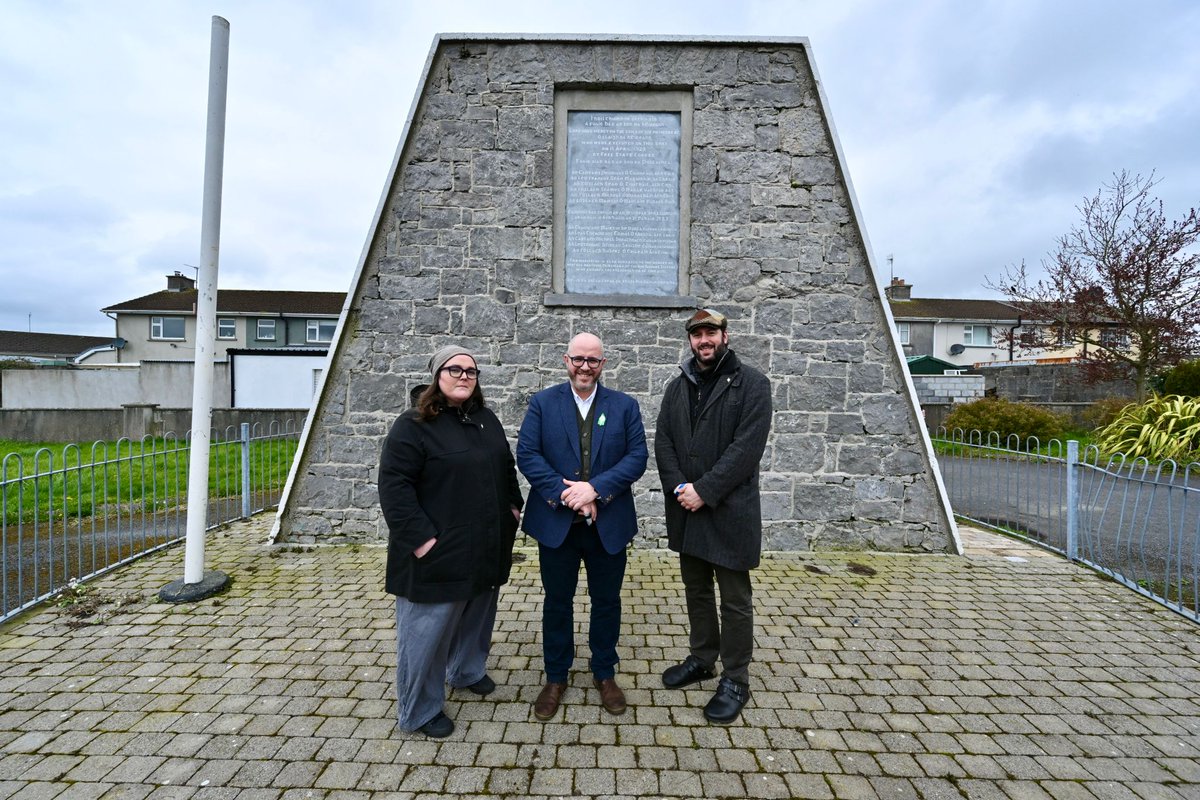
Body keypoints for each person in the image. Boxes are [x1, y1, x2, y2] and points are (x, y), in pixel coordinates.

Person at [378, 345, 524, 738]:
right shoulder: (413, 425)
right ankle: (419, 710)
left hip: (486, 545)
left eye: (471, 371)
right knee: (426, 633)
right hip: (437, 549)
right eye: (455, 369)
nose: (464, 376)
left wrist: (513, 507)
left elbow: (505, 465)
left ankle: (465, 670)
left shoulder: (485, 419)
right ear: (436, 375)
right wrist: (422, 540)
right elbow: (394, 487)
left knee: (476, 617)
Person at [517, 332, 648, 720]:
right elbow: (528, 454)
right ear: (566, 360)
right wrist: (567, 493)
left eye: (593, 360)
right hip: (557, 525)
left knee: (607, 602)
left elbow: (637, 457)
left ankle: (604, 673)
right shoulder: (542, 403)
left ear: (603, 364)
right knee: (558, 603)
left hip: (608, 524)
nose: (585, 367)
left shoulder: (624, 406)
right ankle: (556, 676)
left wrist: (595, 489)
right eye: (579, 359)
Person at [655, 308, 772, 724]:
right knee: (697, 589)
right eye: (697, 334)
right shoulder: (677, 387)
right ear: (690, 340)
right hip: (687, 507)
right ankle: (703, 658)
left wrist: (705, 490)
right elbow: (664, 441)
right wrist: (679, 488)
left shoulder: (753, 384)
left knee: (735, 599)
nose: (704, 340)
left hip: (728, 509)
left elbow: (746, 449)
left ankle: (736, 678)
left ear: (725, 335)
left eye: (711, 333)